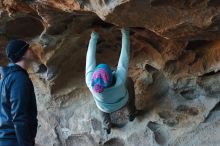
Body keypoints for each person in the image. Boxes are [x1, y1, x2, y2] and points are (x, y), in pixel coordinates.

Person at [85, 28, 138, 134]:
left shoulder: (90, 83)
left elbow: (89, 60)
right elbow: (124, 56)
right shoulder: (120, 80)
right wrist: (125, 33)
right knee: (129, 82)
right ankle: (131, 114)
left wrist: (94, 36)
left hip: (105, 108)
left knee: (102, 110)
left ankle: (107, 127)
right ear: (111, 75)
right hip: (123, 101)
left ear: (93, 77)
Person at [0, 40, 38, 146]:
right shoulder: (19, 78)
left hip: (7, 140)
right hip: (14, 141)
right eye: (28, 48)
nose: (32, 50)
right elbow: (19, 116)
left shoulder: (6, 78)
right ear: (22, 54)